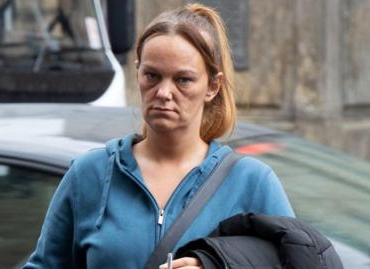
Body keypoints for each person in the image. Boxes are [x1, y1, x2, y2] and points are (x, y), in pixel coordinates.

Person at [23, 3, 294, 269]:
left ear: (213, 86)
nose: (164, 92)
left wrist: (215, 264)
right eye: (152, 75)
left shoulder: (252, 182)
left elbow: (300, 259)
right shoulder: (90, 174)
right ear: (138, 72)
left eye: (183, 80)